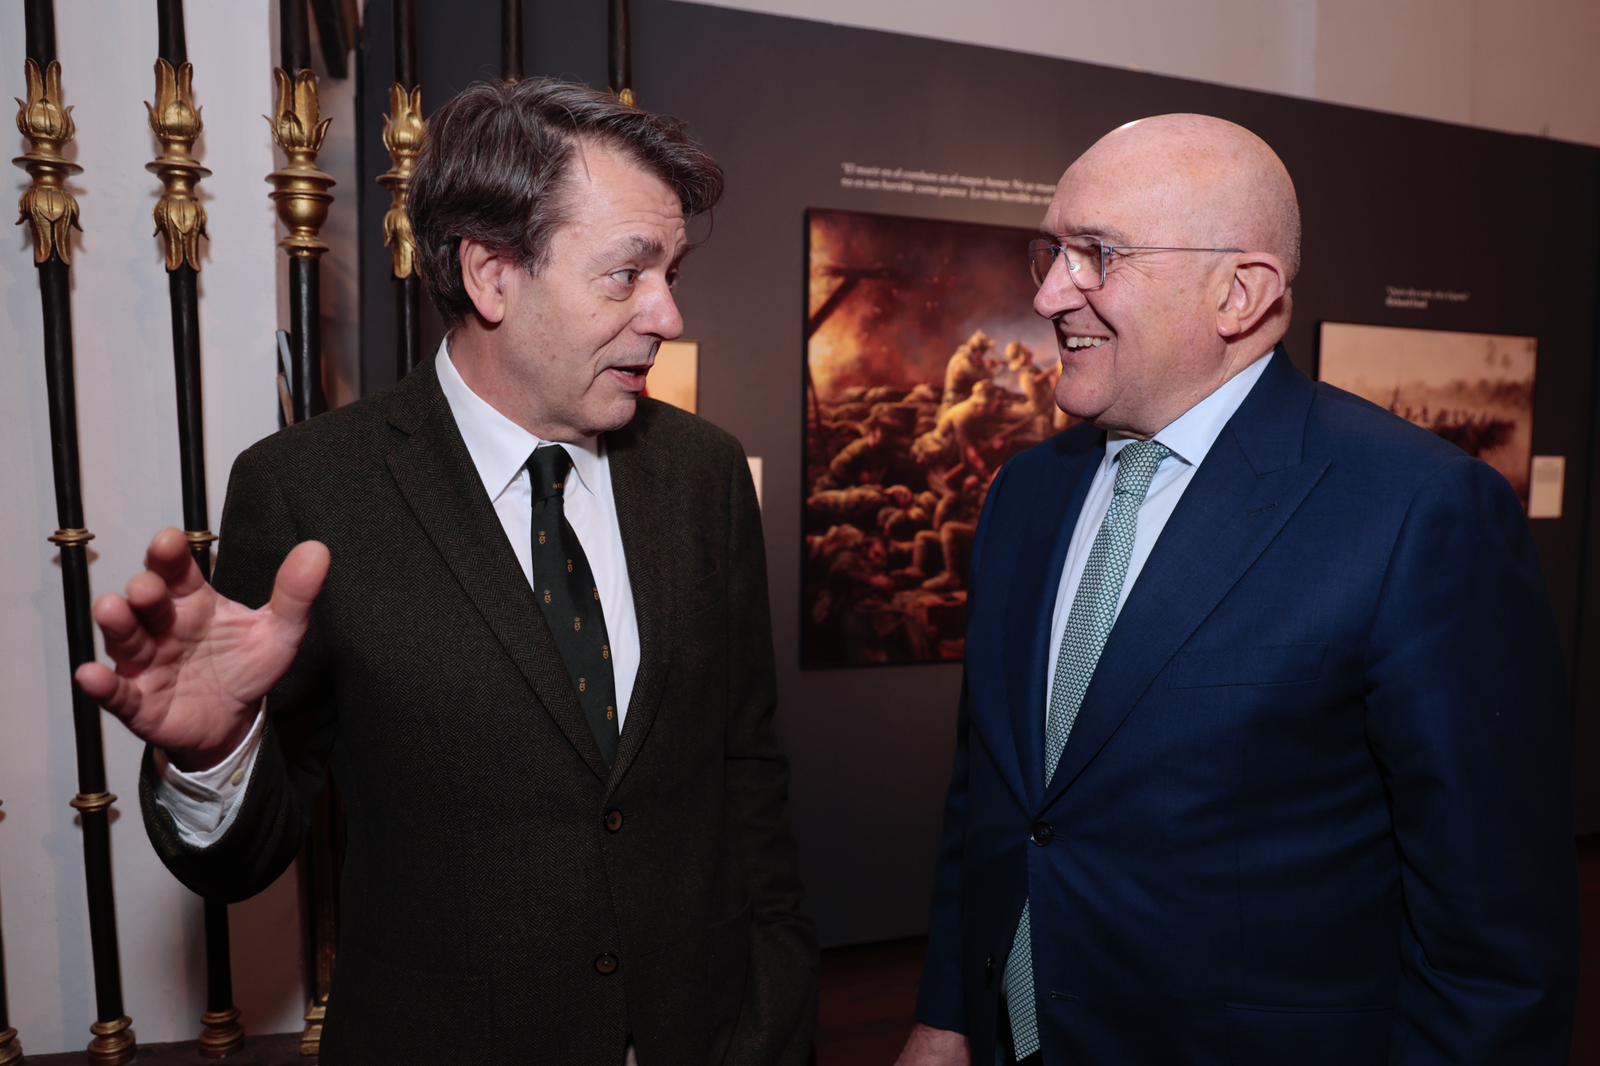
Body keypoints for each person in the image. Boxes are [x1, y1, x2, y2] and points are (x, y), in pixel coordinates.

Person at [77, 78, 817, 1065]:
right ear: (491, 274)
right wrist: (217, 756)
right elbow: (248, 856)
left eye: (670, 272)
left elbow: (746, 769)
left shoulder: (703, 474)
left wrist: (778, 1010)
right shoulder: (308, 490)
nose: (669, 314)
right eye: (626, 274)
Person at [897, 114, 1577, 1066]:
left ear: (1241, 292)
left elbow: (1493, 927)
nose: (1050, 293)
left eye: (1097, 255)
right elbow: (992, 798)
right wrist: (948, 1017)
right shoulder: (1025, 494)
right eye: (1050, 252)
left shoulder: (1419, 511)